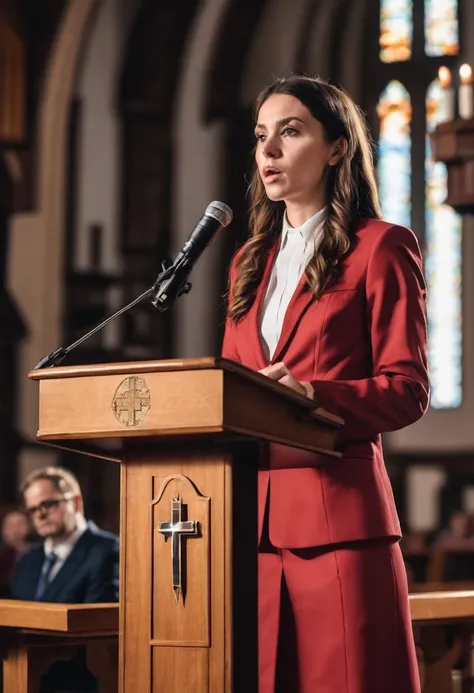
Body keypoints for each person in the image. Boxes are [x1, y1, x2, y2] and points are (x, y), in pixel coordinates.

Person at [222, 75, 429, 693]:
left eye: (291, 131)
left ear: (338, 147)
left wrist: (313, 396)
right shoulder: (246, 262)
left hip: (340, 526)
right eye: (262, 136)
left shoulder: (382, 248)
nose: (269, 152)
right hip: (248, 533)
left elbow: (407, 389)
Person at [12, 466, 119, 603]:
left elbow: (98, 620)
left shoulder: (109, 551)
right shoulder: (27, 560)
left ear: (76, 503)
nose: (40, 515)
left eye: (48, 504)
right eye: (33, 510)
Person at [0, 508, 32, 596]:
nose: (15, 530)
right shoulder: (3, 557)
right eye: (10, 525)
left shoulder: (39, 554)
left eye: (20, 524)